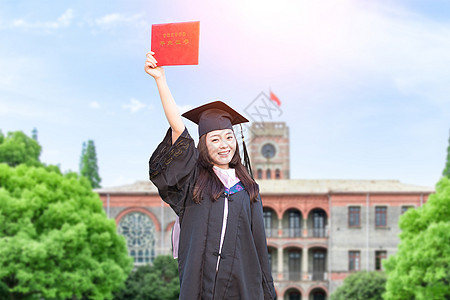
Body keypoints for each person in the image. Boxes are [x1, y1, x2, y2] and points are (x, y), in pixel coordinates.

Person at [145, 51, 276, 300]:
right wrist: (160, 79)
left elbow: (259, 244)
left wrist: (267, 290)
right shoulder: (194, 181)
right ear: (203, 145)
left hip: (240, 284)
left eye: (229, 137)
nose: (224, 145)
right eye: (215, 139)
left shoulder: (248, 188)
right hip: (198, 283)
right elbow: (178, 128)